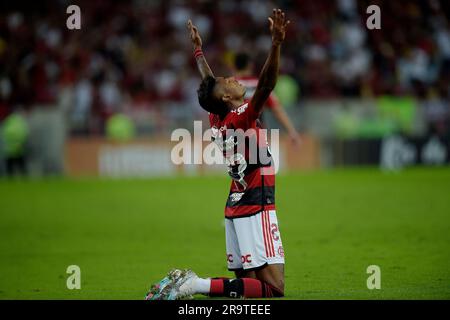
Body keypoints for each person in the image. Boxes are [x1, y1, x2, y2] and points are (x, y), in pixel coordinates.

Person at [146, 8, 289, 300]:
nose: (236, 79)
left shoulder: (217, 118)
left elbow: (210, 85)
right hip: (257, 204)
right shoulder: (240, 116)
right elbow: (266, 85)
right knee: (274, 289)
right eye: (230, 81)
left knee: (248, 290)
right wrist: (275, 44)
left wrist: (198, 52)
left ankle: (191, 285)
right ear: (227, 98)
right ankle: (194, 285)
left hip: (234, 208)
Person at [233, 52, 301, 145]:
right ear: (250, 65)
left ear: (234, 66)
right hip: (257, 136)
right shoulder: (260, 85)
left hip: (233, 136)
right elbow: (277, 110)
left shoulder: (228, 86)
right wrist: (292, 132)